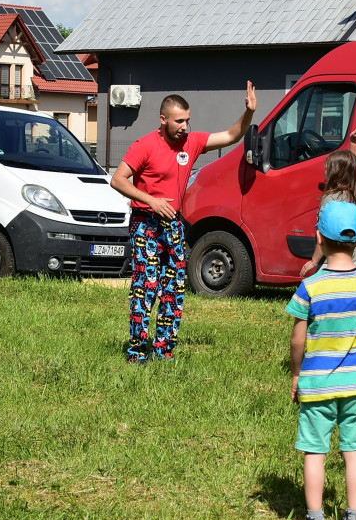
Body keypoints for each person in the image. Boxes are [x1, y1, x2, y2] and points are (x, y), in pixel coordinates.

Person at [110, 82, 257, 363]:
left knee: (175, 286)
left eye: (188, 121)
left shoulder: (192, 143)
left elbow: (231, 135)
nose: (185, 127)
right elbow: (117, 179)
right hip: (146, 222)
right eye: (179, 121)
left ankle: (164, 350)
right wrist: (151, 200)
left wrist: (248, 112)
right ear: (163, 119)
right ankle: (137, 352)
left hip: (173, 224)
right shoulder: (144, 146)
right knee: (147, 285)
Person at [287, 201, 356, 520]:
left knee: (315, 452)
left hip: (317, 385)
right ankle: (354, 519)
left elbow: (297, 341)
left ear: (319, 238)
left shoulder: (310, 288)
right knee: (354, 451)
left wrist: (296, 374)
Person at [300, 123, 356, 278]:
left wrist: (313, 261)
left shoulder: (330, 200)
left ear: (336, 174)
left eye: (328, 169)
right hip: (352, 261)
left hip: (330, 260)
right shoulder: (355, 193)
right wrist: (353, 143)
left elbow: (324, 233)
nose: (325, 172)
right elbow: (353, 168)